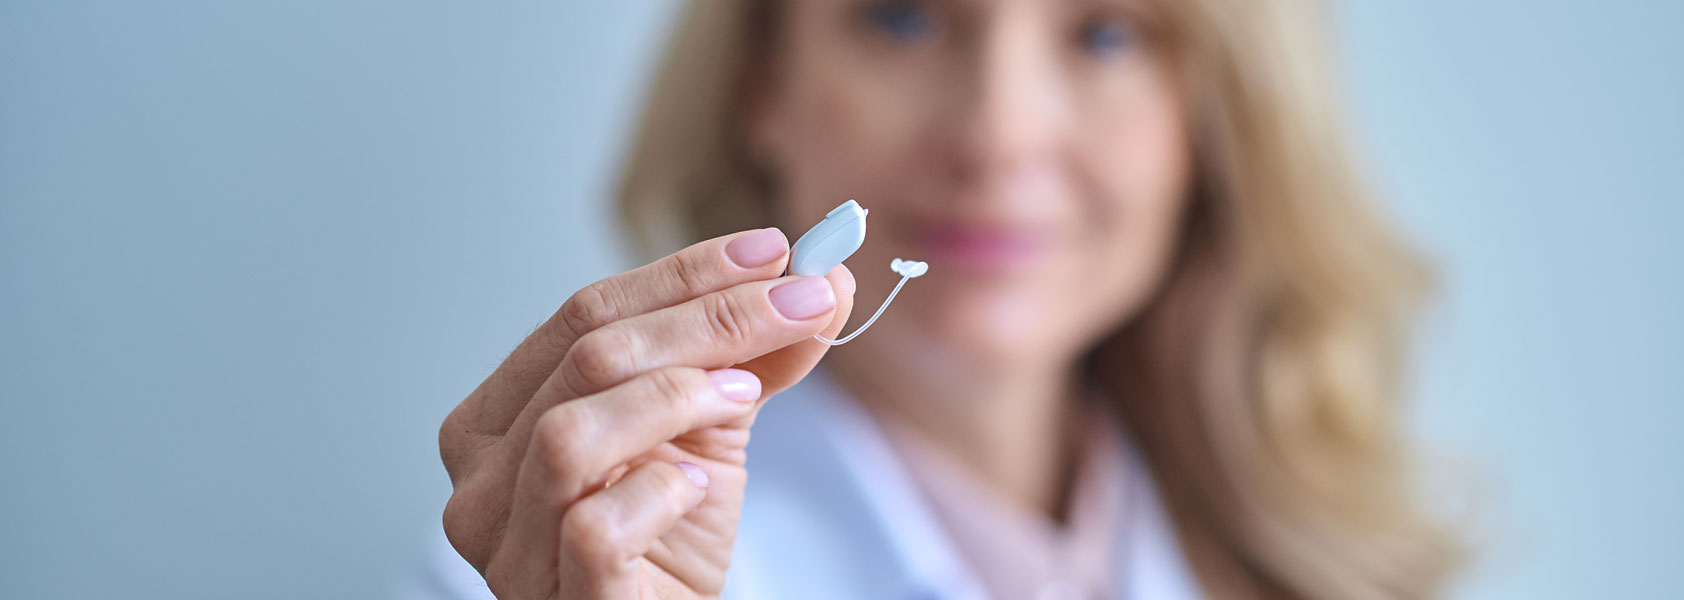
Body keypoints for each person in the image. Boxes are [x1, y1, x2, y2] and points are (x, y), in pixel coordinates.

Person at [415, 1, 1464, 598]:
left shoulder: (1298, 562)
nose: (997, 135)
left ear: (1212, 124)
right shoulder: (571, 563)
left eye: (1105, 35)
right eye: (904, 16)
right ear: (761, 84)